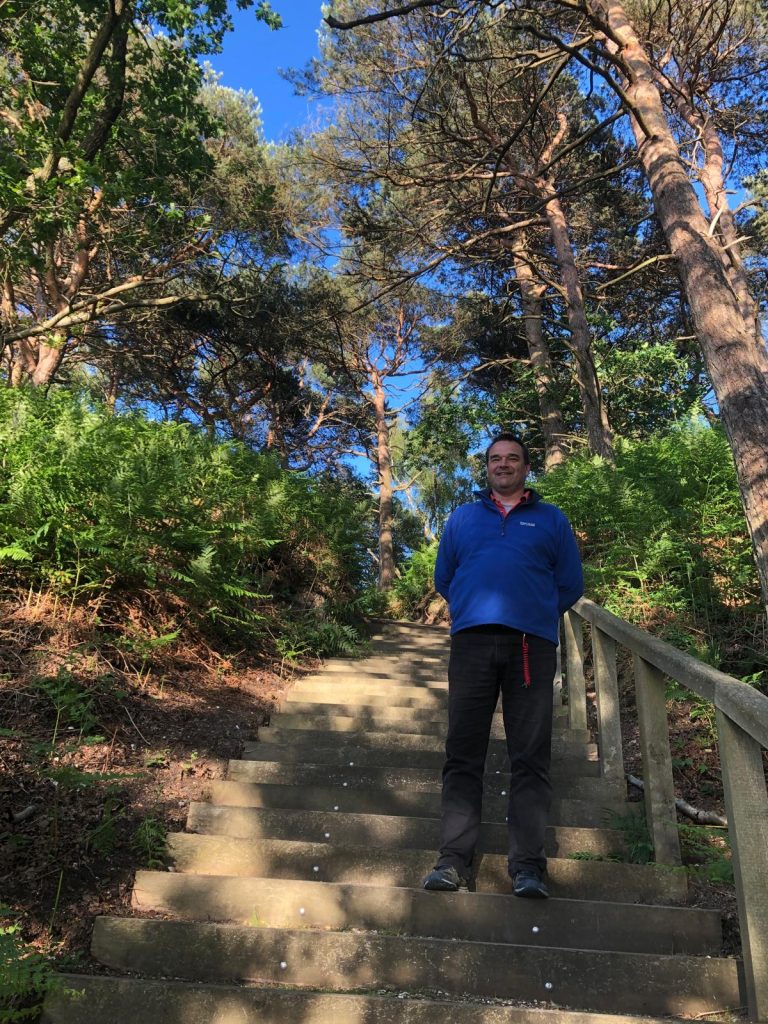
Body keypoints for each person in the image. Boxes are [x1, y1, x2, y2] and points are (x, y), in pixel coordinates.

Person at [423, 433, 583, 899]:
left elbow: (570, 584)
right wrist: (476, 609)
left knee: (530, 756)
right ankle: (452, 861)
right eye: (496, 459)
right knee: (463, 750)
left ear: (526, 468)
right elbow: (445, 577)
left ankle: (528, 868)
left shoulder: (551, 520)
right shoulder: (463, 518)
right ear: (486, 467)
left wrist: (531, 613)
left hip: (531, 648)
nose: (504, 464)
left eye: (513, 458)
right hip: (472, 643)